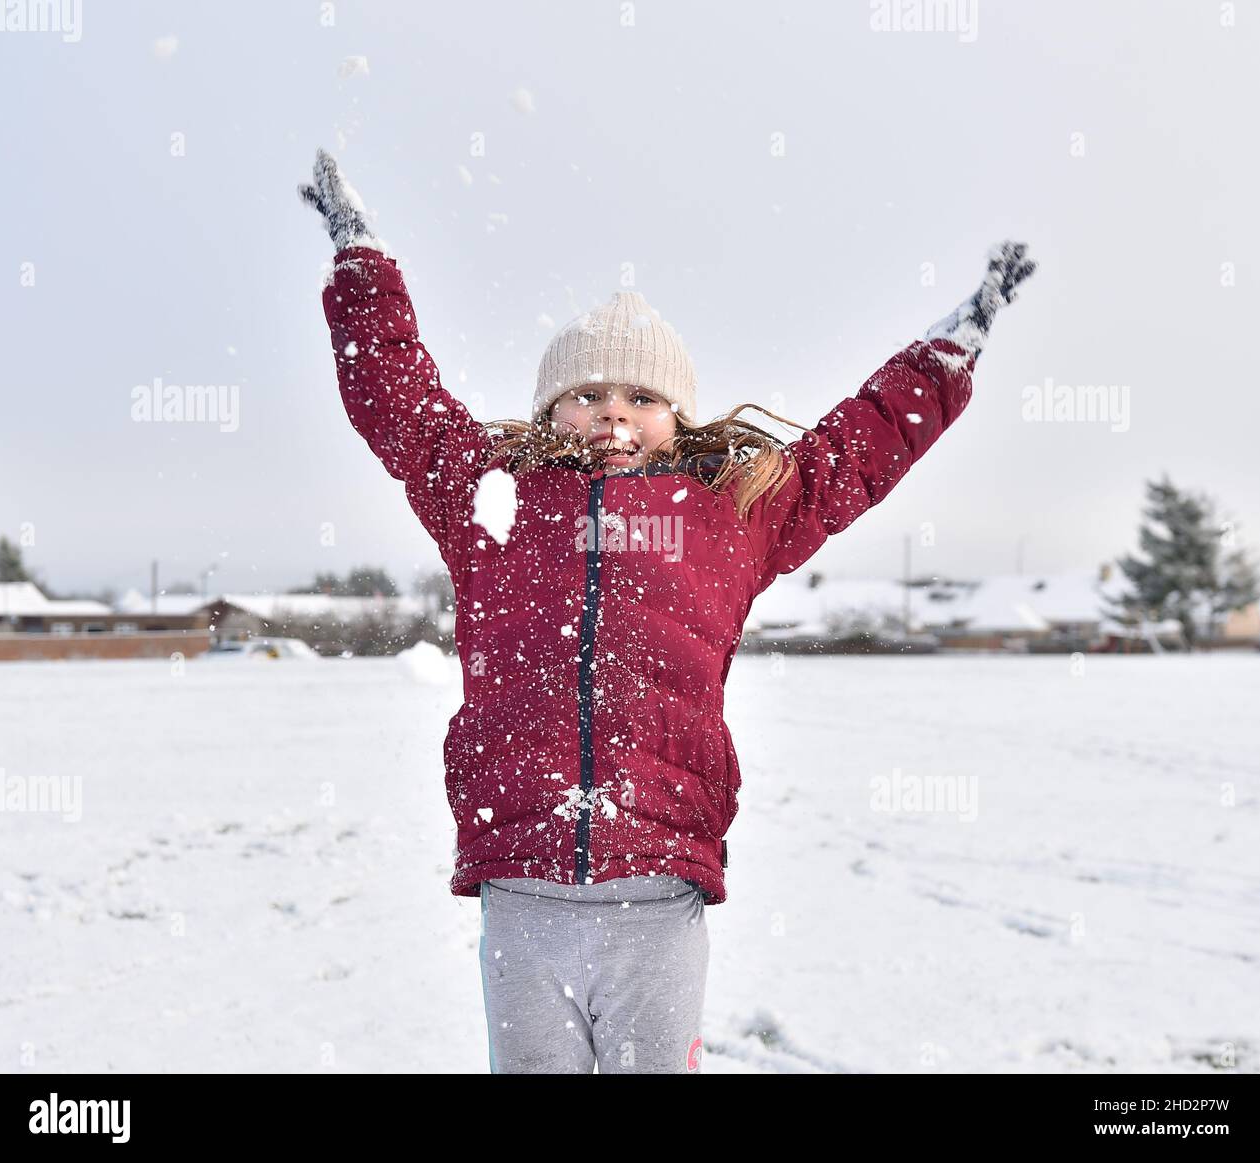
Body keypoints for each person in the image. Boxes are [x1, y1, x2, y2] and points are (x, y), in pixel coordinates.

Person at [298, 148, 1036, 1073]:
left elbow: (854, 451)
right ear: (548, 409)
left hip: (659, 885)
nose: (615, 415)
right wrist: (360, 260)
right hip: (521, 882)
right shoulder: (489, 499)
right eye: (588, 395)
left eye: (642, 397)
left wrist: (949, 350)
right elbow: (397, 400)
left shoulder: (732, 513)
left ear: (677, 417)